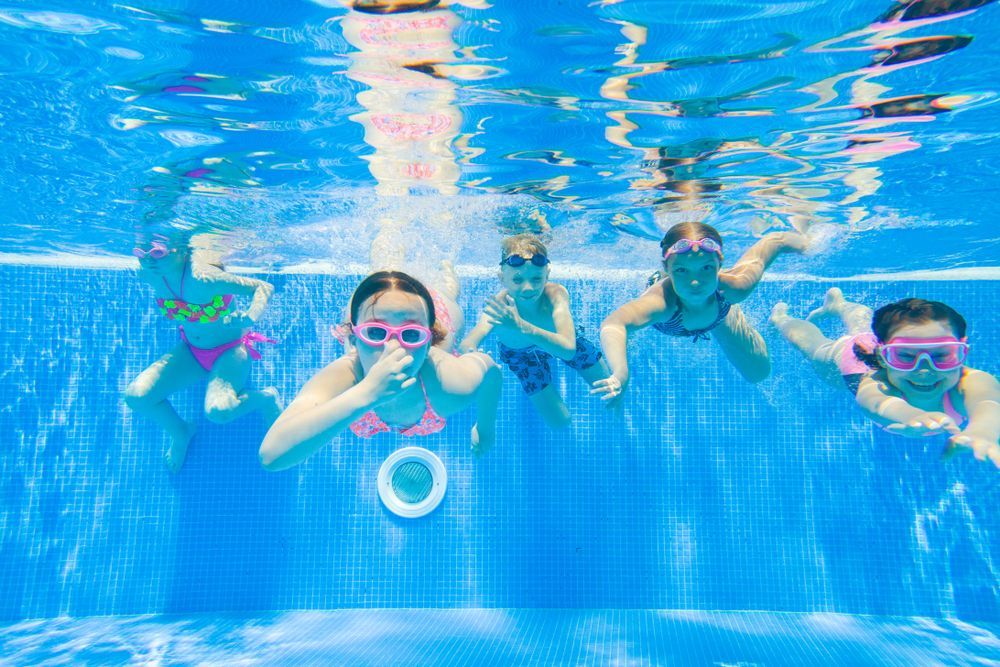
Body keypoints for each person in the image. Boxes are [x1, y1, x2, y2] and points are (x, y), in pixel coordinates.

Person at [259, 270, 501, 470]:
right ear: (353, 340)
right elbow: (271, 455)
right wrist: (367, 392)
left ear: (429, 341)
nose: (392, 348)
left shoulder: (448, 382)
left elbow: (491, 372)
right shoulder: (347, 374)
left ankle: (445, 276)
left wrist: (485, 428)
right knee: (381, 273)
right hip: (384, 308)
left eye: (410, 335)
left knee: (447, 291)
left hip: (433, 310)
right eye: (375, 332)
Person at [770, 292, 1000, 466]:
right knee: (815, 346)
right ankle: (781, 320)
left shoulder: (971, 381)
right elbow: (878, 403)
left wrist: (982, 432)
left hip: (878, 345)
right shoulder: (876, 383)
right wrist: (913, 416)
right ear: (883, 355)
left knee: (863, 328)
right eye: (906, 356)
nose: (925, 370)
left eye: (942, 354)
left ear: (963, 352)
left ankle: (839, 304)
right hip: (854, 362)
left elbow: (989, 404)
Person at [593, 221, 807, 403]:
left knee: (759, 373)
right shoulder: (661, 303)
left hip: (718, 309)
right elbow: (614, 324)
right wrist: (621, 373)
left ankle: (773, 321)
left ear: (719, 264)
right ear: (667, 268)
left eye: (706, 268)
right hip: (685, 306)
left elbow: (773, 243)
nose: (695, 282)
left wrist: (805, 242)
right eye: (681, 270)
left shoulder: (734, 288)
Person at [124, 233, 282, 472]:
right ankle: (181, 432)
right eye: (141, 253)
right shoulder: (148, 274)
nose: (149, 260)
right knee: (137, 397)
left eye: (157, 251)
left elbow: (263, 287)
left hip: (230, 351)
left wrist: (250, 316)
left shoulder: (203, 278)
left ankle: (267, 397)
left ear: (181, 249)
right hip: (191, 351)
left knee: (219, 412)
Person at [459, 234, 611, 428]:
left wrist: (521, 327)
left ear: (547, 275)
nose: (528, 287)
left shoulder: (555, 295)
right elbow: (468, 344)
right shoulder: (500, 307)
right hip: (522, 357)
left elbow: (567, 349)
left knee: (612, 390)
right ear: (502, 278)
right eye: (518, 279)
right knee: (561, 423)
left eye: (536, 278)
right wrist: (476, 358)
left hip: (560, 341)